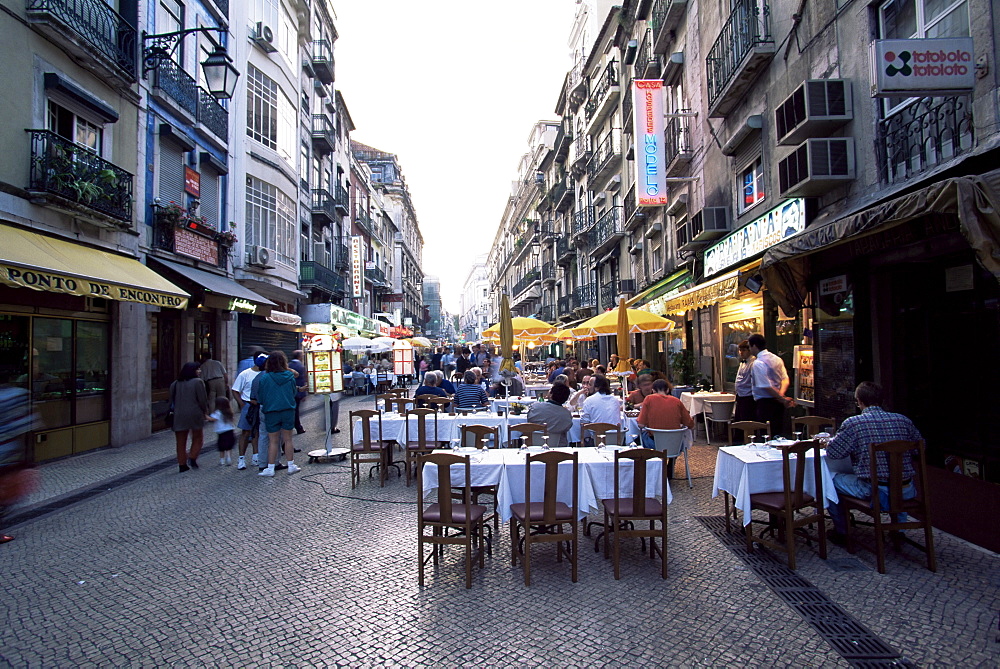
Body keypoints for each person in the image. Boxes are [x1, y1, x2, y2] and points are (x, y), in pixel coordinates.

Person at [823, 382, 923, 545]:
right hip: (907, 489)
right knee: (895, 479)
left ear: (859, 401)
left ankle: (841, 531)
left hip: (875, 490)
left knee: (829, 481)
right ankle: (899, 530)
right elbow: (920, 449)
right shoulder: (903, 421)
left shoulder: (854, 423)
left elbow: (834, 453)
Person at [0, 369, 36, 544]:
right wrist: (27, 463)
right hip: (7, 454)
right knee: (7, 495)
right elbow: (24, 429)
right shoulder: (15, 395)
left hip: (6, 454)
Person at [257, 350, 300, 477]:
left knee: (273, 441)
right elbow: (293, 392)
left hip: (271, 411)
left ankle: (270, 468)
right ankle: (291, 465)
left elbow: (261, 396)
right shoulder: (289, 376)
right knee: (288, 439)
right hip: (288, 410)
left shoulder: (265, 378)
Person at [748, 334, 793, 430]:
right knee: (777, 430)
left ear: (754, 346)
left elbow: (765, 386)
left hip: (765, 403)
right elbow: (785, 380)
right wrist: (781, 396)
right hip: (778, 401)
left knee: (766, 432)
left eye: (749, 346)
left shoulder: (758, 363)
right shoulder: (777, 359)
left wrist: (781, 398)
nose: (749, 349)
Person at [170, 362, 209, 472]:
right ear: (193, 371)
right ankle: (192, 457)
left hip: (178, 415)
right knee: (198, 437)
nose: (200, 371)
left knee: (181, 441)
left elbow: (171, 400)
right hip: (194, 413)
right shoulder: (198, 382)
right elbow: (202, 399)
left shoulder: (175, 384)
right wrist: (205, 411)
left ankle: (182, 464)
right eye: (198, 369)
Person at [231, 353, 266, 470]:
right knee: (246, 432)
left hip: (260, 406)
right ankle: (241, 458)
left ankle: (256, 456)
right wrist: (241, 404)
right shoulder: (245, 374)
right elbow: (235, 390)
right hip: (248, 406)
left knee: (257, 432)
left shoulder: (265, 374)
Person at [637, 379, 694, 449]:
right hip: (675, 445)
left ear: (653, 390)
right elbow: (690, 424)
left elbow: (641, 424)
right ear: (667, 390)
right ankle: (672, 459)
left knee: (641, 436)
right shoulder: (676, 401)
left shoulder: (648, 399)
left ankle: (652, 458)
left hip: (655, 445)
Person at [526, 381, 573, 447]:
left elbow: (529, 420)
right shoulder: (567, 415)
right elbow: (567, 427)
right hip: (558, 449)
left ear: (551, 394)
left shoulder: (535, 408)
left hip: (533, 446)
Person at [207, 397, 236, 466]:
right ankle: (228, 458)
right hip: (230, 431)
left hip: (221, 432)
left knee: (221, 447)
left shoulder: (217, 413)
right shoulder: (229, 412)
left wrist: (205, 416)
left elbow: (212, 419)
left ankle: (222, 460)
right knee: (228, 447)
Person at [734, 340, 756, 422]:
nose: (741, 352)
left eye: (743, 350)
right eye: (740, 350)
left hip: (748, 397)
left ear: (749, 350)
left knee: (746, 421)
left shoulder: (753, 363)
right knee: (739, 420)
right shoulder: (742, 363)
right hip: (740, 395)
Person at [288, 350, 308, 435]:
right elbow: (303, 379)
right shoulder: (300, 366)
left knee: (293, 410)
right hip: (298, 391)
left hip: (289, 391)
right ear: (299, 356)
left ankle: (296, 426)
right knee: (296, 411)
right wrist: (303, 393)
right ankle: (297, 427)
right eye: (302, 355)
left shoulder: (289, 364)